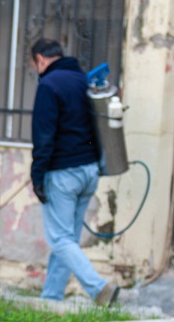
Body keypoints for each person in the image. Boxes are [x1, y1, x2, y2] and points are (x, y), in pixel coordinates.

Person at [29, 38, 118, 306]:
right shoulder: (83, 81)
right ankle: (51, 299)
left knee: (59, 239)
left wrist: (37, 176)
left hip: (63, 173)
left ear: (40, 60)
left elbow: (44, 136)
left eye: (35, 65)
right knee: (67, 240)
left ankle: (99, 288)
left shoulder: (49, 86)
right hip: (89, 171)